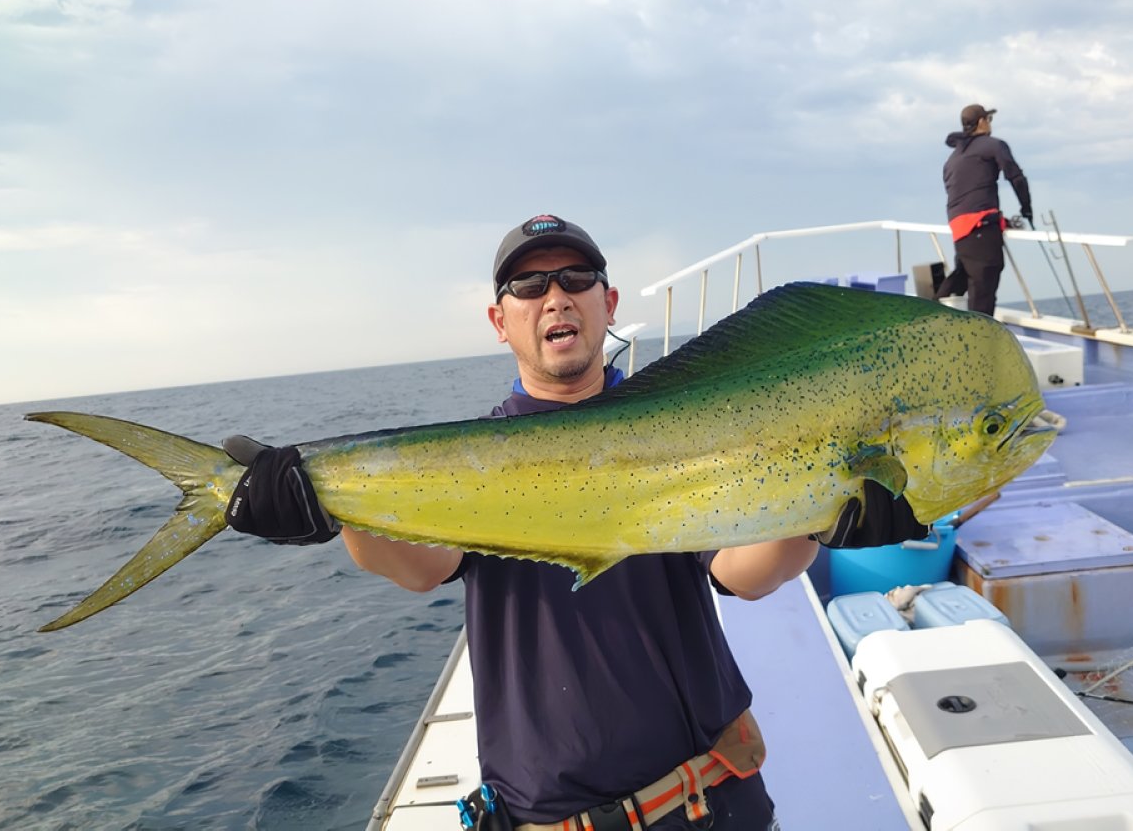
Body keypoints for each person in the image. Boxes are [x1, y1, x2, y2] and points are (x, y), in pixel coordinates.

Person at [222, 214, 928, 830]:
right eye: (528, 287)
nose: (554, 296)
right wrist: (328, 507)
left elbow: (741, 575)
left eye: (576, 278)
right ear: (500, 322)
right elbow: (418, 567)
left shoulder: (688, 424)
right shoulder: (471, 459)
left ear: (607, 301)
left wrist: (821, 523)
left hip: (717, 799)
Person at [935, 104, 1032, 316]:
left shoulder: (951, 160)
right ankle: (980, 342)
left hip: (960, 231)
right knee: (983, 292)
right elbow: (1016, 177)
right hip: (981, 228)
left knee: (961, 278)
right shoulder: (994, 146)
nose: (990, 124)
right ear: (981, 122)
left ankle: (927, 315)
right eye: (989, 119)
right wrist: (1027, 208)